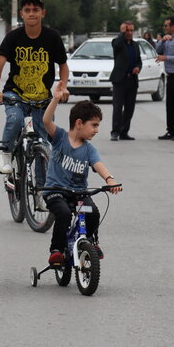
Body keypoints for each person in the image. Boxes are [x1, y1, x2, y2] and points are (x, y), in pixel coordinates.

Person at [0, 0, 69, 174]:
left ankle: (42, 188)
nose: (32, 13)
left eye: (36, 10)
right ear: (22, 14)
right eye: (27, 10)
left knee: (44, 142)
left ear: (43, 13)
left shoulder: (52, 37)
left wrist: (63, 86)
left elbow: (63, 65)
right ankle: (6, 154)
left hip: (42, 99)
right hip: (15, 94)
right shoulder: (13, 37)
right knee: (15, 119)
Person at [42, 92, 121, 267]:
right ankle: (56, 250)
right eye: (94, 125)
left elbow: (98, 164)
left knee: (93, 212)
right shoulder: (60, 137)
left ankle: (90, 241)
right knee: (63, 213)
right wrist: (55, 99)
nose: (97, 130)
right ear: (79, 123)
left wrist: (110, 179)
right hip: (56, 192)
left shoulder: (89, 149)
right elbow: (46, 121)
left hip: (78, 193)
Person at [109, 21, 142, 141]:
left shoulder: (135, 45)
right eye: (127, 30)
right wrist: (122, 33)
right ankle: (115, 131)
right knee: (118, 107)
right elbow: (117, 44)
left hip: (132, 80)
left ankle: (124, 131)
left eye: (131, 30)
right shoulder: (117, 42)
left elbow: (139, 60)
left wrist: (138, 67)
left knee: (130, 108)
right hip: (120, 80)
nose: (130, 33)